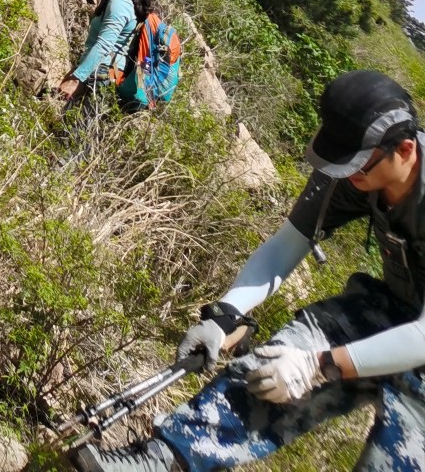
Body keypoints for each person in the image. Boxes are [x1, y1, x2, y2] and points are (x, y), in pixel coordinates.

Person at [71, 70, 425, 471]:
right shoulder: (353, 168)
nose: (349, 174)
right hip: (392, 310)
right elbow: (287, 245)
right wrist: (226, 316)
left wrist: (318, 365)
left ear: (405, 150)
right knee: (276, 364)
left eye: (359, 166)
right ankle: (161, 459)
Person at [56, 0, 159, 106]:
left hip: (101, 76)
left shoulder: (121, 3)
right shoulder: (135, 2)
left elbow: (104, 45)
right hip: (106, 74)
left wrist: (76, 79)